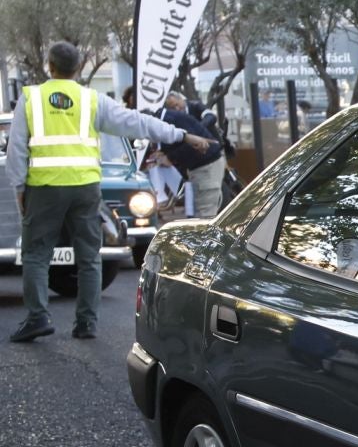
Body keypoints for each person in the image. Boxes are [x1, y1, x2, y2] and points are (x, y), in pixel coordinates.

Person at [6, 43, 212, 342]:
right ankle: (86, 323)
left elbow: (16, 151)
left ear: (49, 66)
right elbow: (137, 123)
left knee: (36, 255)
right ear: (78, 69)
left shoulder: (31, 98)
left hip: (45, 188)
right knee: (90, 256)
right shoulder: (92, 100)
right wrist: (182, 134)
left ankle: (38, 318)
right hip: (85, 188)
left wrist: (19, 188)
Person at [160, 91, 227, 217]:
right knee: (197, 199)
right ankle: (190, 213)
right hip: (192, 165)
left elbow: (211, 116)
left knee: (206, 207)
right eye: (171, 107)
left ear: (181, 99)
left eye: (176, 104)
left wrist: (196, 130)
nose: (176, 108)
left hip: (210, 153)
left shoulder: (194, 106)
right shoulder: (173, 118)